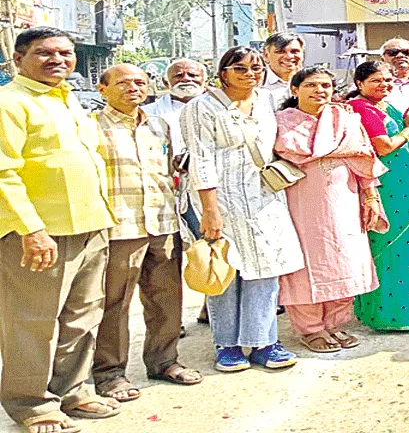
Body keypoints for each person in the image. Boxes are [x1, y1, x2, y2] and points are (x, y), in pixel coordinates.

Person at [0, 27, 119, 432]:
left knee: (82, 317)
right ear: (18, 60)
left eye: (65, 53)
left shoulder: (70, 102)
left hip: (91, 226)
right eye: (43, 53)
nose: (57, 60)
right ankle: (31, 405)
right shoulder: (10, 103)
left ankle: (74, 390)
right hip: (37, 234)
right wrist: (31, 230)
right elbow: (4, 172)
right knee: (32, 321)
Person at [181, 47, 304, 373]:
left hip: (265, 198)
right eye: (240, 68)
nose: (250, 74)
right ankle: (228, 345)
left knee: (266, 267)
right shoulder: (201, 108)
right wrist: (210, 210)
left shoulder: (265, 101)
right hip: (222, 200)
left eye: (256, 68)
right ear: (223, 73)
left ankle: (264, 341)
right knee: (227, 270)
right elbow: (201, 159)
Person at [93, 65, 201, 406]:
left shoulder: (159, 125)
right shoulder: (89, 126)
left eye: (140, 82)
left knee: (166, 299)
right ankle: (109, 373)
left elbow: (171, 172)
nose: (133, 88)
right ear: (102, 88)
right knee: (114, 304)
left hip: (164, 223)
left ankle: (164, 361)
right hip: (118, 227)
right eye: (123, 83)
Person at [274, 66, 385, 351]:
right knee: (307, 263)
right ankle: (311, 329)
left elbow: (364, 158)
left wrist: (371, 196)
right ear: (295, 90)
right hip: (300, 203)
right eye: (311, 85)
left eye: (325, 85)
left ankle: (335, 324)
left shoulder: (345, 119)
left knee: (346, 258)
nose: (319, 91)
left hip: (345, 200)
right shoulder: (280, 122)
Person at [347, 61, 409, 332]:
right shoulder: (361, 108)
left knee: (408, 244)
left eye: (388, 80)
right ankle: (390, 315)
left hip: (404, 183)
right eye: (376, 80)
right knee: (388, 244)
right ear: (359, 84)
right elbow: (384, 146)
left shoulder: (385, 106)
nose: (384, 85)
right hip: (385, 184)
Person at [142, 58, 206, 156]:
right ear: (166, 83)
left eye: (193, 75)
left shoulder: (221, 109)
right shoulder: (147, 113)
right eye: (179, 75)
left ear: (206, 81)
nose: (186, 79)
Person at [262, 33, 306, 109]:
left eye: (294, 51)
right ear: (266, 55)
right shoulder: (256, 83)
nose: (289, 56)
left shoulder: (313, 81)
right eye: (280, 51)